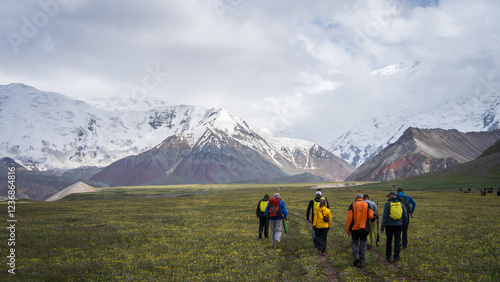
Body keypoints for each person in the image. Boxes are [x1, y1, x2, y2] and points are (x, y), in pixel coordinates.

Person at [346, 193, 374, 268]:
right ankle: (362, 262)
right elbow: (371, 216)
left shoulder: (352, 205)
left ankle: (356, 255)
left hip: (355, 228)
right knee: (363, 244)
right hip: (364, 227)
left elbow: (349, 218)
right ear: (362, 198)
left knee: (354, 242)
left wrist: (348, 229)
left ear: (356, 198)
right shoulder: (367, 204)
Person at [381, 191, 408, 262]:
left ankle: (388, 257)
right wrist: (404, 224)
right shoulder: (401, 204)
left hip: (389, 225)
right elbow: (405, 215)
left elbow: (385, 216)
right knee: (397, 241)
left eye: (389, 196)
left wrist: (382, 227)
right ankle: (396, 257)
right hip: (399, 225)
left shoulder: (387, 204)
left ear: (391, 196)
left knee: (389, 241)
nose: (388, 197)